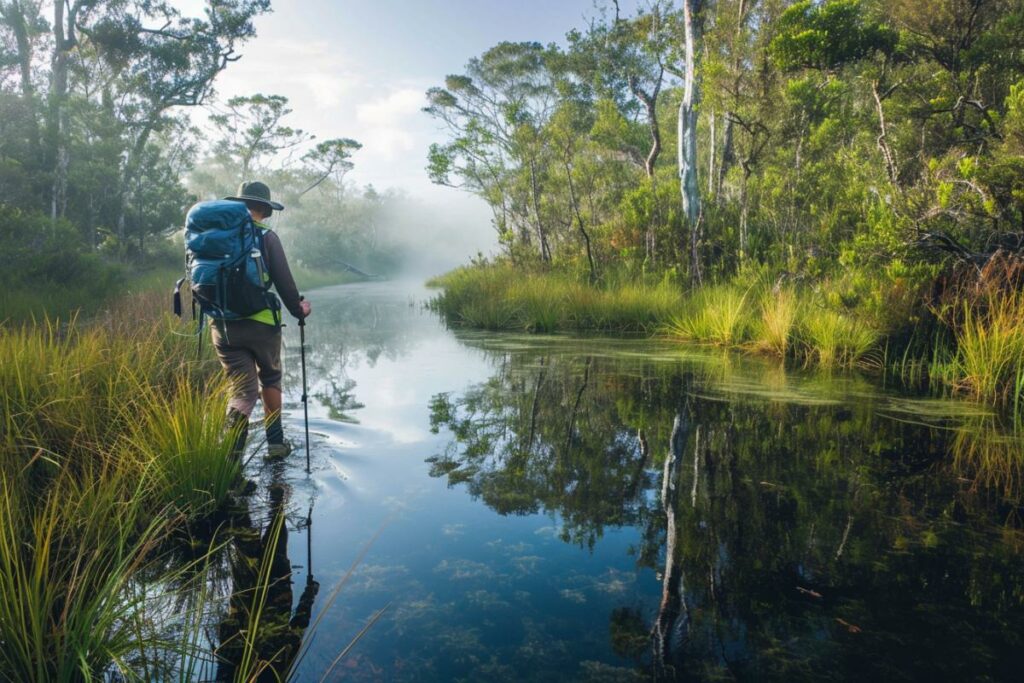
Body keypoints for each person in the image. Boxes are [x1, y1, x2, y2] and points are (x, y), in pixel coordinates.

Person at [216, 180, 311, 459]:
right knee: (270, 377)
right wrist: (299, 310)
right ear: (265, 210)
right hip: (261, 326)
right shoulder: (267, 237)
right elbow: (284, 283)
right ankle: (275, 444)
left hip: (222, 327)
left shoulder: (218, 236)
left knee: (242, 391)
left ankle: (230, 461)